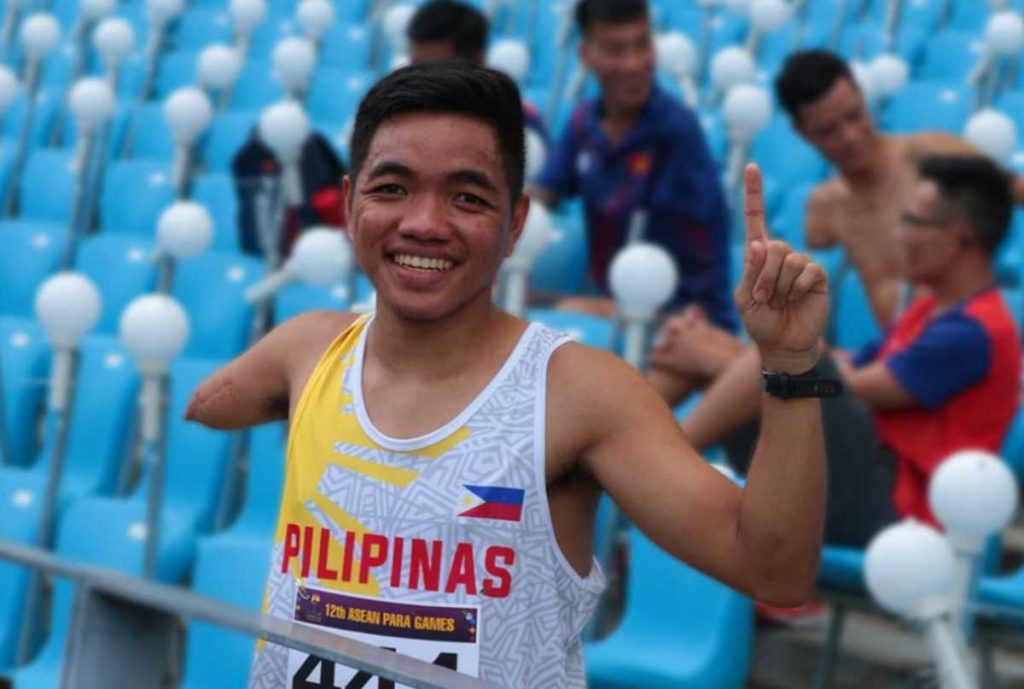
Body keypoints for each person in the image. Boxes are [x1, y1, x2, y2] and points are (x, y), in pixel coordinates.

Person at [186, 63, 830, 687]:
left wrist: (791, 366)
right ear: (350, 202)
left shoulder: (577, 393)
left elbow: (775, 572)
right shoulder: (310, 349)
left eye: (467, 197)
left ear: (516, 223)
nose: (424, 223)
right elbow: (207, 405)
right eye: (392, 188)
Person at [676, 155, 1020, 546]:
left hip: (899, 513)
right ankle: (615, 474)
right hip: (872, 480)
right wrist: (716, 352)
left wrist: (724, 358)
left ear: (959, 236)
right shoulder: (931, 309)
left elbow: (850, 387)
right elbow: (850, 366)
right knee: (699, 347)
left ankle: (656, 463)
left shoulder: (975, 330)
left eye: (911, 222)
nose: (899, 234)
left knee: (772, 358)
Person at [648, 49, 1024, 406]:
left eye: (854, 116)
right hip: (883, 357)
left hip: (929, 369)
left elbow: (1011, 191)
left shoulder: (928, 155)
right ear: (801, 133)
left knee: (715, 358)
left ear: (863, 97)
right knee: (696, 350)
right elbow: (800, 316)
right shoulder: (823, 211)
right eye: (828, 130)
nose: (850, 136)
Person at [527, 0, 735, 330]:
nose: (634, 63)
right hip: (613, 307)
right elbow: (542, 194)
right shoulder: (584, 123)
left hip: (683, 322)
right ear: (586, 55)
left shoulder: (677, 131)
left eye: (642, 45)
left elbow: (696, 271)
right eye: (614, 49)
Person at [407, 0, 549, 145]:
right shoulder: (402, 113)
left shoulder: (516, 123)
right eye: (416, 67)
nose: (421, 79)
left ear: (476, 59)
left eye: (435, 69)